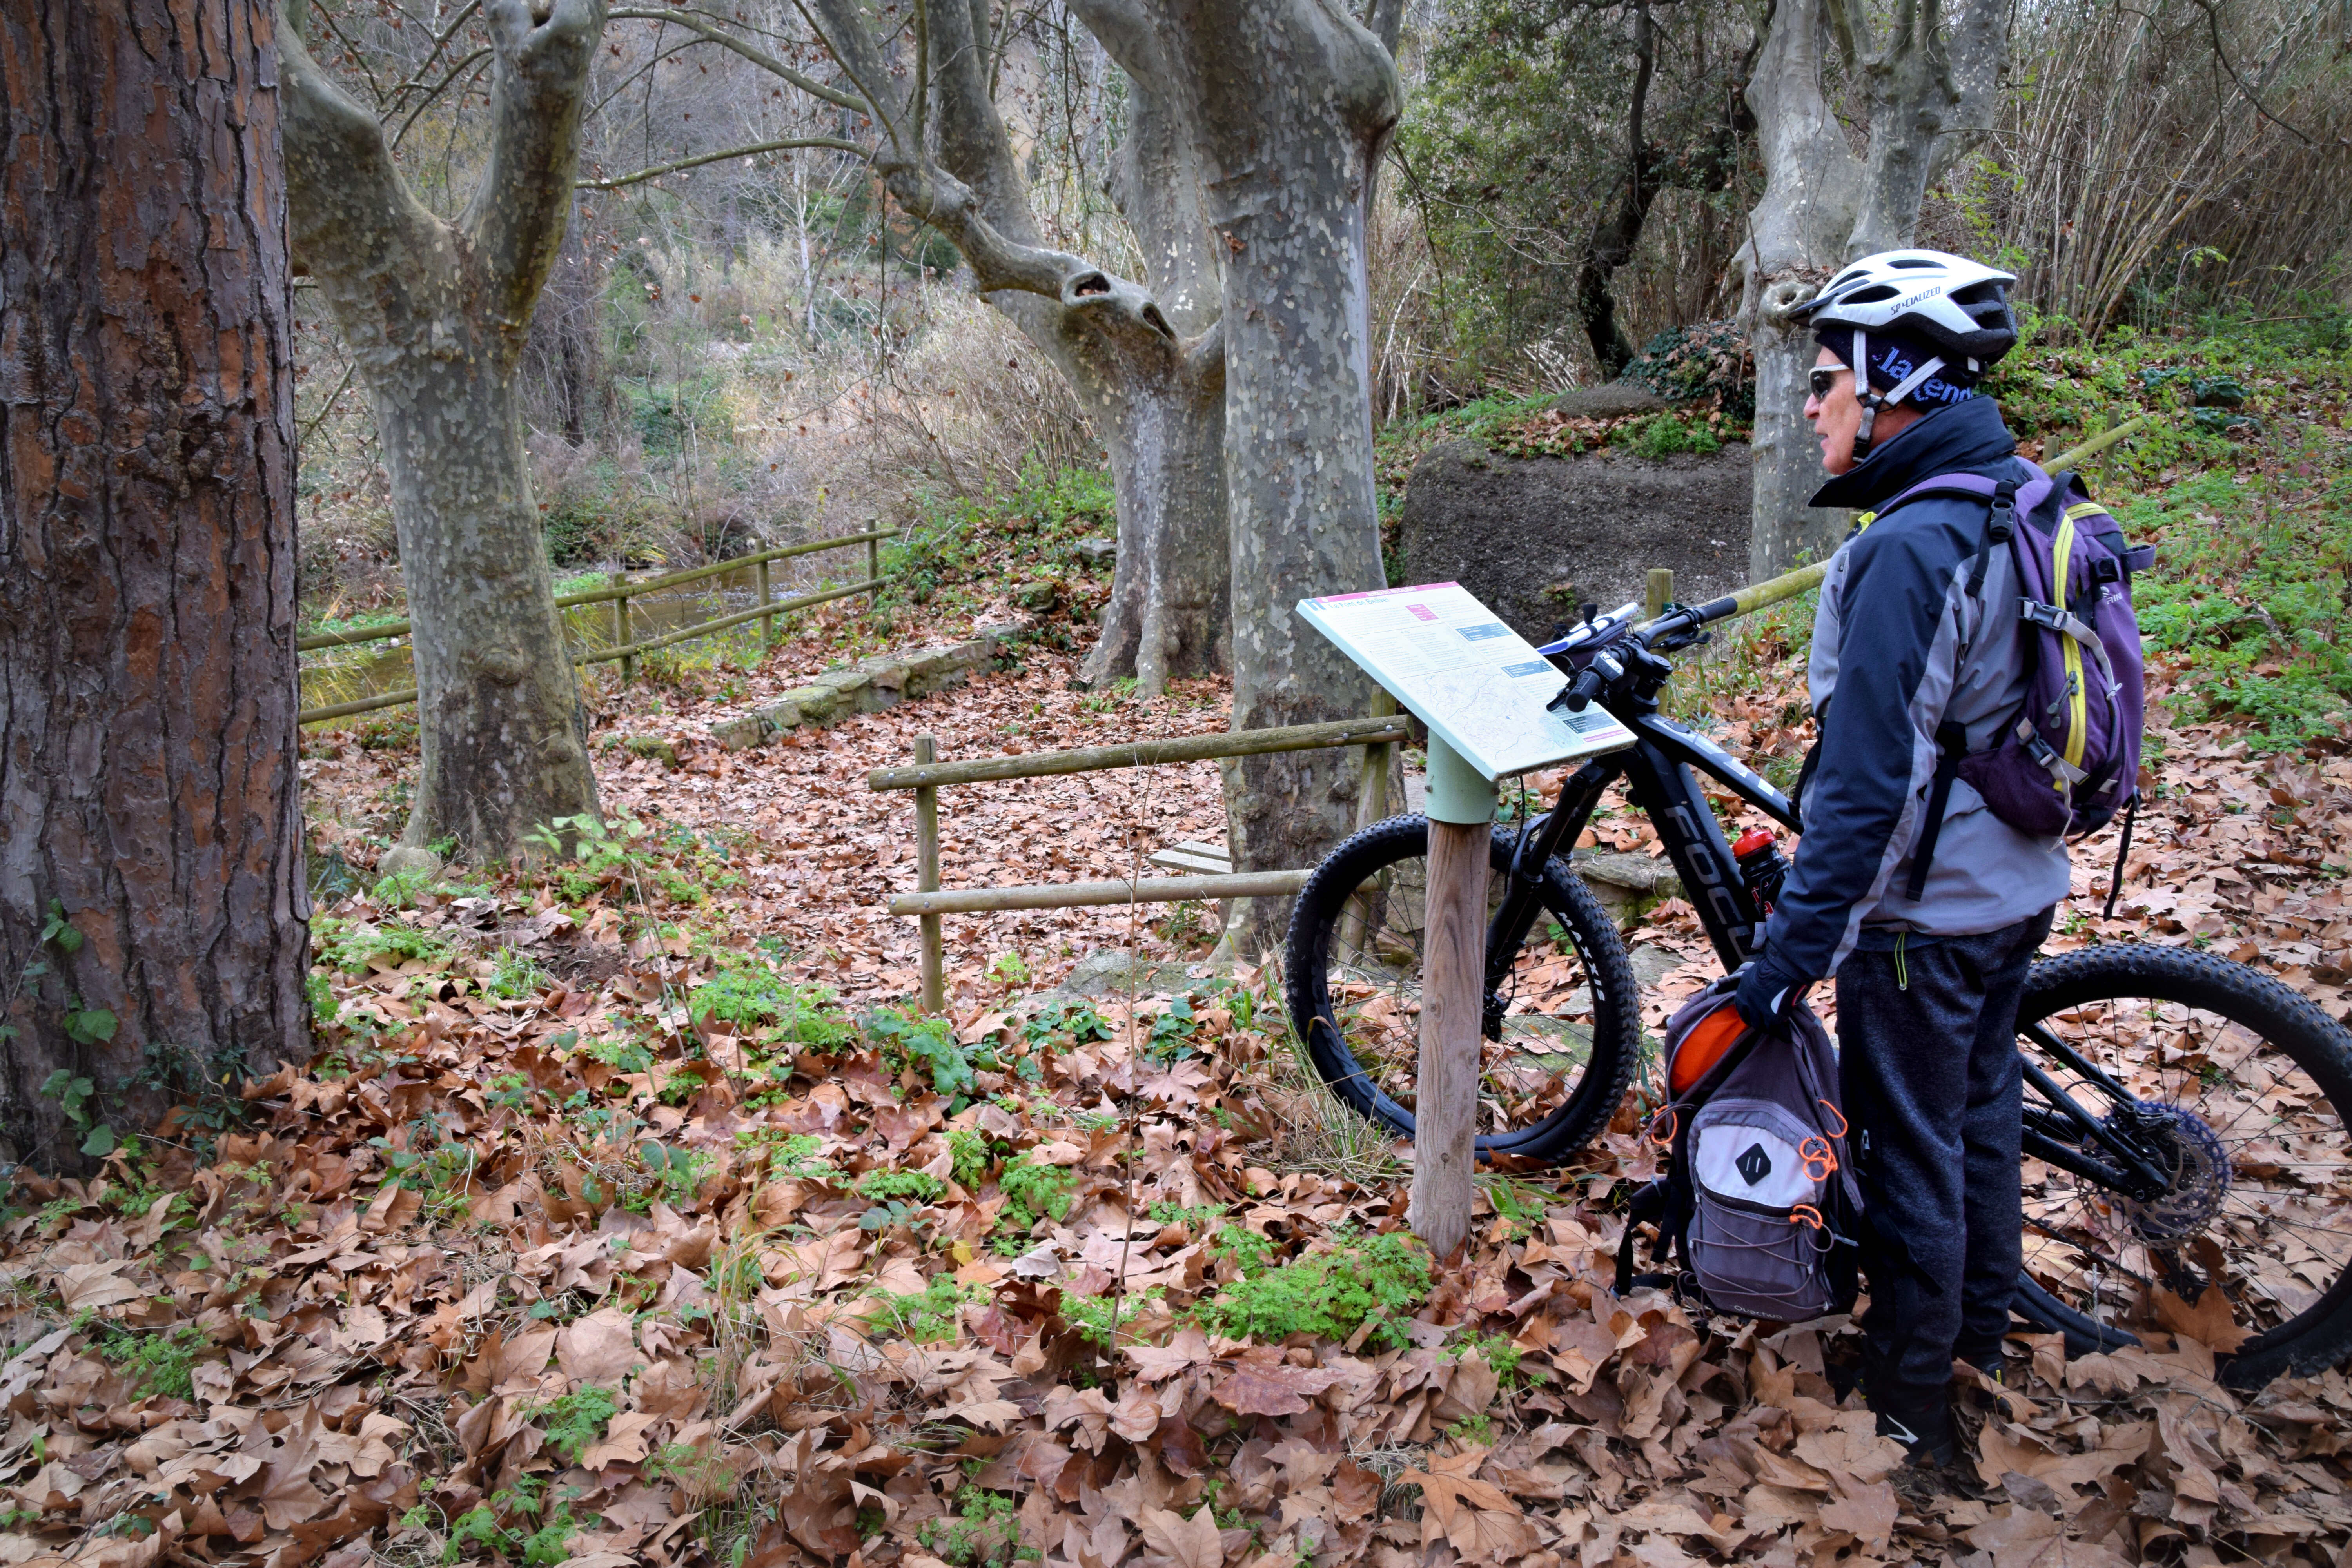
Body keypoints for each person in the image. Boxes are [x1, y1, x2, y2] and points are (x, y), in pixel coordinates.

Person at [1730, 250, 2067, 1467]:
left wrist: (1789, 956)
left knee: (1913, 1155)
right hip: (2013, 888)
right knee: (1977, 1121)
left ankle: (1915, 1416)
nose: (1812, 403)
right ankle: (1975, 1330)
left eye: (1830, 378)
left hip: (1926, 918)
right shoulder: (2014, 496)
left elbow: (1873, 788)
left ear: (1899, 385)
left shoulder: (1911, 548)